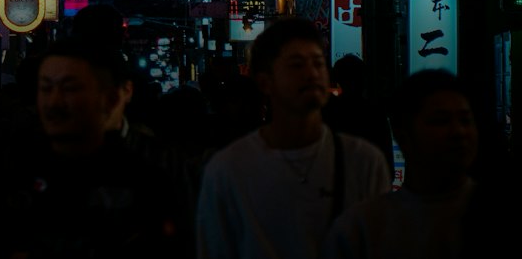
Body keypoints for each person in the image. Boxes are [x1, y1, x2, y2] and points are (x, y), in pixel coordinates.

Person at [195, 17, 391, 259]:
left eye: (318, 63)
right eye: (297, 65)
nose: (311, 74)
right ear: (265, 82)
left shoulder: (364, 161)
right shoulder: (228, 169)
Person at [0, 37, 184, 258]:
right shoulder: (16, 164)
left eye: (69, 89)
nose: (54, 102)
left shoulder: (151, 172)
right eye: (46, 88)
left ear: (113, 98)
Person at [323, 69, 478, 259]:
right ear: (403, 135)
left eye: (465, 120)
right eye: (441, 121)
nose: (459, 132)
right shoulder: (360, 229)